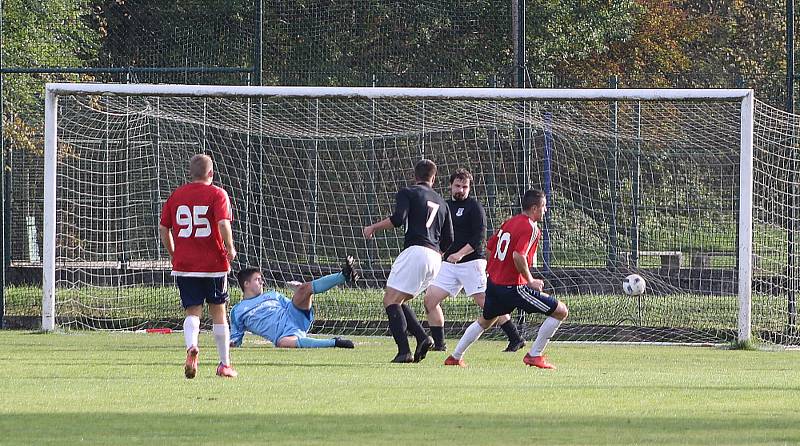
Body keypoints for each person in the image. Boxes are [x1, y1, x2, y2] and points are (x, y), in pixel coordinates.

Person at [444, 189, 569, 369]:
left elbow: (489, 248)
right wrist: (530, 280)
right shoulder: (531, 227)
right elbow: (519, 256)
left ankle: (455, 357)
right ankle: (535, 355)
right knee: (561, 311)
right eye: (544, 206)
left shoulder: (509, 222)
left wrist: (495, 271)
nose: (545, 210)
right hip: (513, 287)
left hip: (494, 284)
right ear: (534, 208)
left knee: (485, 321)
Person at [423, 168, 525, 352]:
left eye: (464, 186)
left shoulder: (475, 207)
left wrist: (460, 254)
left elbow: (479, 239)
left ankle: (515, 338)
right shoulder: (444, 206)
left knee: (486, 302)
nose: (460, 190)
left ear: (470, 188)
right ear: (450, 186)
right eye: (457, 186)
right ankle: (439, 345)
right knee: (430, 300)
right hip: (449, 264)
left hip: (472, 263)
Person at [363, 159, 454, 363]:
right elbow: (450, 239)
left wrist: (373, 227)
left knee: (390, 300)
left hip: (416, 251)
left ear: (415, 176)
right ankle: (422, 338)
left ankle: (404, 351)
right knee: (399, 299)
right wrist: (437, 255)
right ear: (434, 178)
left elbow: (398, 218)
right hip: (434, 257)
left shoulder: (408, 192)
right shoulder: (442, 202)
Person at [158, 153, 238, 379]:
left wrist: (175, 253)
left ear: (190, 174)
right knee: (219, 311)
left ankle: (192, 346)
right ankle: (224, 364)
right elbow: (223, 223)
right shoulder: (218, 194)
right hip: (213, 264)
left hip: (185, 265)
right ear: (211, 173)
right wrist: (230, 248)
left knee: (192, 311)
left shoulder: (176, 196)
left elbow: (164, 229)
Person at [229, 257, 360, 349]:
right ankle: (334, 342)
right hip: (285, 335)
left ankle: (344, 276)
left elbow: (291, 305)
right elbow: (236, 337)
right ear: (246, 284)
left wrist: (298, 291)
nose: (262, 282)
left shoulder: (272, 295)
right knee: (282, 343)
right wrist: (232, 343)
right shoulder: (237, 310)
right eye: (257, 280)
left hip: (294, 316)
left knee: (305, 288)